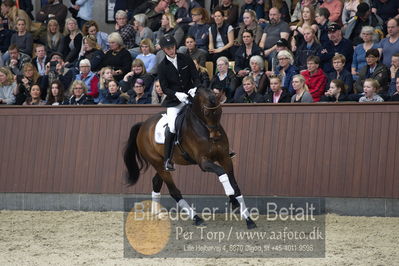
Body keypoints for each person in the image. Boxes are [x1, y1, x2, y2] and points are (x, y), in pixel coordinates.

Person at [157, 36, 200, 171]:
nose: (171, 50)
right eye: (168, 49)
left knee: (206, 113)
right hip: (174, 101)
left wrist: (195, 88)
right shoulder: (162, 66)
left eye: (173, 47)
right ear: (164, 50)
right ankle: (168, 159)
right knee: (172, 127)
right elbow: (164, 88)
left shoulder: (185, 58)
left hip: (190, 96)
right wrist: (176, 94)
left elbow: (195, 76)